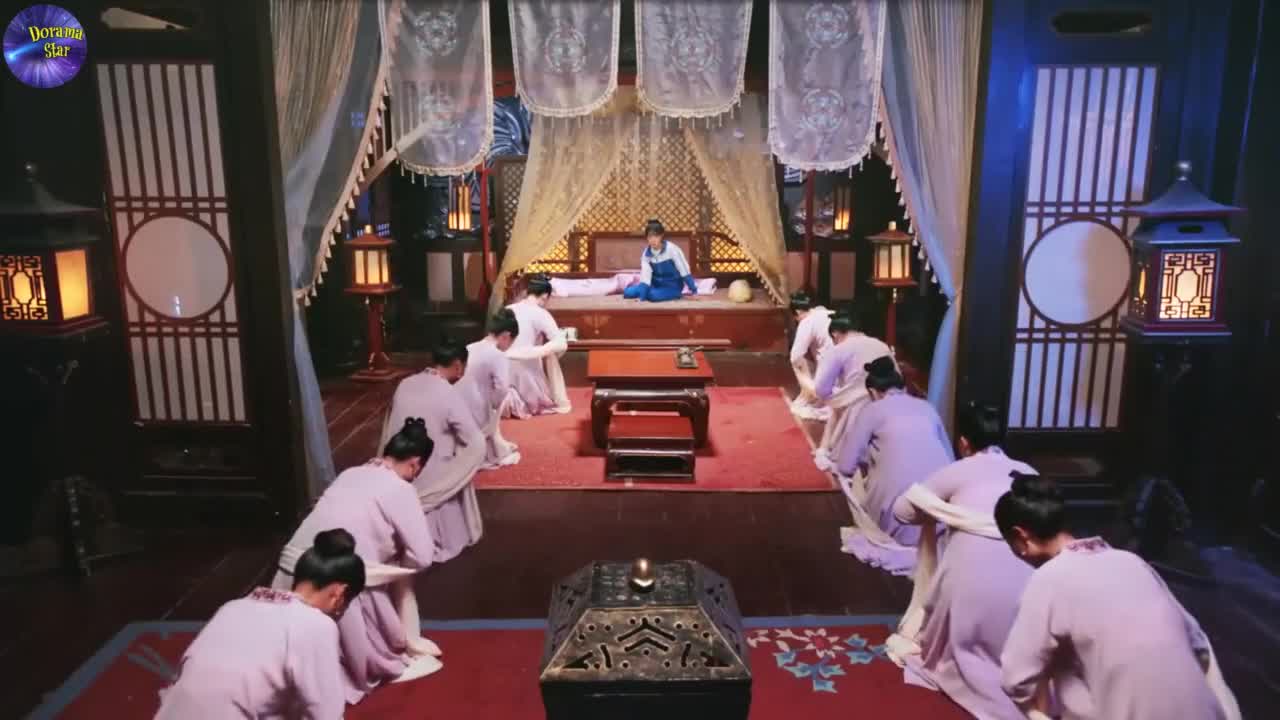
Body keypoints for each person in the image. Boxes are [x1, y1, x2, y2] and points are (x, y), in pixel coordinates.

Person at [996, 475, 1239, 720]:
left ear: (1021, 537)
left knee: (1061, 672)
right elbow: (1198, 645)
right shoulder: (1131, 561)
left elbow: (1016, 680)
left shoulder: (1049, 579)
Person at [273, 421, 441, 704]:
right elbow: (423, 556)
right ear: (415, 464)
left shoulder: (350, 473)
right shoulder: (400, 489)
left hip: (293, 566)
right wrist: (393, 562)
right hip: (337, 575)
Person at [887, 403, 1036, 720]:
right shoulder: (1028, 472)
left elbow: (902, 511)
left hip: (971, 590)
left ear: (964, 442)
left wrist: (939, 511)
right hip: (1030, 590)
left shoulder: (958, 470)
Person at [158, 530, 364, 719]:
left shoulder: (233, 607)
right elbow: (326, 713)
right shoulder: (317, 624)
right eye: (344, 607)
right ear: (339, 594)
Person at [836, 356, 953, 573]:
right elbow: (950, 460)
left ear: (872, 392)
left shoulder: (872, 410)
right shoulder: (927, 407)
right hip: (940, 521)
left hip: (898, 520)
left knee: (853, 474)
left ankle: (881, 522)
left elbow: (844, 465)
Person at [380, 343, 485, 561]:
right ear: (458, 366)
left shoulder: (405, 384)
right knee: (464, 446)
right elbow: (473, 439)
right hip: (430, 474)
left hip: (398, 470)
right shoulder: (446, 391)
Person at [812, 310, 892, 471]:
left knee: (839, 402)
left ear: (835, 333)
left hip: (861, 403)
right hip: (893, 401)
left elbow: (821, 388)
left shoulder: (839, 349)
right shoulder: (881, 345)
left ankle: (825, 450)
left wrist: (839, 395)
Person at [459, 309, 521, 469]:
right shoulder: (497, 355)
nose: (509, 347)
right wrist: (493, 405)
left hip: (456, 407)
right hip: (477, 410)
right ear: (506, 336)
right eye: (511, 342)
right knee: (506, 395)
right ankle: (490, 444)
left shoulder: (469, 347)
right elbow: (502, 389)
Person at [504, 273, 571, 417]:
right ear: (545, 296)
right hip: (525, 366)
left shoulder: (507, 309)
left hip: (501, 366)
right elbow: (561, 343)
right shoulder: (540, 313)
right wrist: (540, 351)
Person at [622, 219, 701, 302]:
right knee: (627, 293)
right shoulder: (646, 254)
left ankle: (674, 294)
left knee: (653, 296)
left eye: (656, 236)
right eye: (650, 237)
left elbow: (684, 271)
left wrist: (694, 291)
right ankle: (648, 292)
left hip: (672, 287)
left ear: (661, 236)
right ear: (647, 238)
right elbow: (645, 276)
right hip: (654, 285)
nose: (653, 240)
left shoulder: (672, 249)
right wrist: (642, 298)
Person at [788, 291, 835, 421]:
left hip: (834, 368)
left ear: (797, 312)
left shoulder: (807, 321)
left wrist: (808, 388)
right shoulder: (831, 313)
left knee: (796, 361)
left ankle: (813, 394)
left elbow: (795, 356)